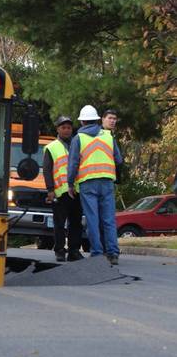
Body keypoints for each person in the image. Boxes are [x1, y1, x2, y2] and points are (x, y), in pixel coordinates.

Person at [67, 105, 123, 265]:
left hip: (87, 183)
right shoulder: (108, 136)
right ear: (98, 120)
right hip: (106, 182)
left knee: (92, 219)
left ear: (83, 121)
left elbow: (73, 164)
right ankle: (112, 253)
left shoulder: (79, 138)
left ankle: (97, 253)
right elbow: (118, 160)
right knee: (109, 220)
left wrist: (70, 184)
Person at [43, 115, 84, 262]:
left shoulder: (77, 144)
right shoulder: (51, 147)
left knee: (76, 223)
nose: (67, 130)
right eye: (63, 127)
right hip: (60, 192)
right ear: (58, 129)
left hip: (77, 191)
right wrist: (50, 189)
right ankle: (60, 250)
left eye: (69, 127)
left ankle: (74, 250)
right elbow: (47, 170)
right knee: (59, 223)